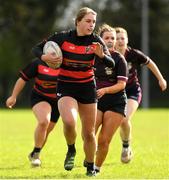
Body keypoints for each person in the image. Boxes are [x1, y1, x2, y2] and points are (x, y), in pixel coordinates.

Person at [31, 7, 115, 176]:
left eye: (93, 22)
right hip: (66, 85)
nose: (91, 25)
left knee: (89, 132)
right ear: (78, 21)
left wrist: (102, 56)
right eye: (88, 21)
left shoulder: (96, 41)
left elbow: (111, 64)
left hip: (87, 88)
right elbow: (36, 49)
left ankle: (90, 167)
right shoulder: (62, 37)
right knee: (69, 122)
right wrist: (45, 57)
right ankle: (71, 150)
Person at [115, 27, 167, 163]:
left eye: (122, 38)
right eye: (117, 38)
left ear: (127, 40)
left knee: (124, 119)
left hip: (132, 91)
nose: (120, 41)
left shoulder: (133, 54)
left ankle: (126, 147)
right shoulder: (109, 55)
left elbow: (150, 63)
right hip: (115, 93)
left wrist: (161, 79)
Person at [87, 24, 127, 173]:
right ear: (100, 40)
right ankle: (89, 158)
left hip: (115, 101)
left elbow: (121, 85)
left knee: (104, 140)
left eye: (113, 38)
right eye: (107, 38)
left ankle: (96, 169)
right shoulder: (92, 57)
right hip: (96, 101)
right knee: (88, 134)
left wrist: (105, 90)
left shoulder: (119, 59)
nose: (110, 40)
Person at [6, 58, 60, 167]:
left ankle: (35, 152)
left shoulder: (67, 63)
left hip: (58, 102)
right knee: (44, 121)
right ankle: (36, 156)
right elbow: (22, 79)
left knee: (46, 131)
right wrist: (13, 96)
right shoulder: (38, 63)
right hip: (40, 97)